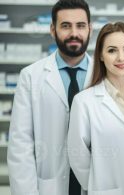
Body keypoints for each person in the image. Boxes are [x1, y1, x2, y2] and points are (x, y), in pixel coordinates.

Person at [7, 0, 92, 194]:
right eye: (65, 26)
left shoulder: (104, 75)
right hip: (50, 185)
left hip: (95, 183)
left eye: (80, 25)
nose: (74, 33)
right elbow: (20, 144)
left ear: (90, 29)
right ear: (53, 29)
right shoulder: (30, 76)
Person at [67, 22, 124, 195]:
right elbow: (77, 155)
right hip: (110, 189)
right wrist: (99, 185)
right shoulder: (84, 102)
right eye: (112, 50)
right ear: (101, 56)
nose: (121, 58)